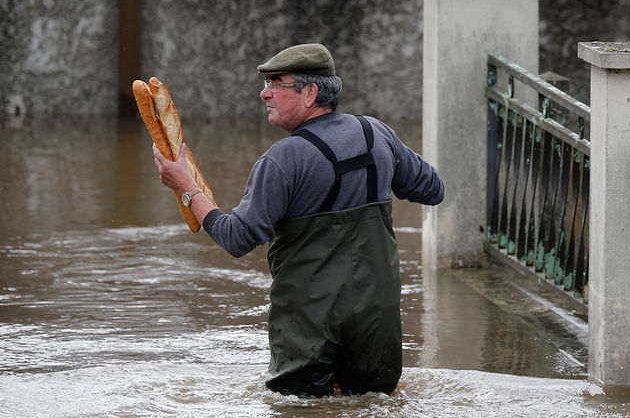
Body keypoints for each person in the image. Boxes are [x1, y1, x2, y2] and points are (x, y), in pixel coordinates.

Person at [152, 43, 444, 397]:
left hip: (309, 329)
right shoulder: (377, 134)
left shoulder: (282, 160)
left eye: (276, 83)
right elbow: (433, 189)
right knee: (372, 404)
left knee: (299, 409)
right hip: (376, 322)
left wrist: (186, 188)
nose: (264, 93)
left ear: (310, 93)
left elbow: (236, 239)